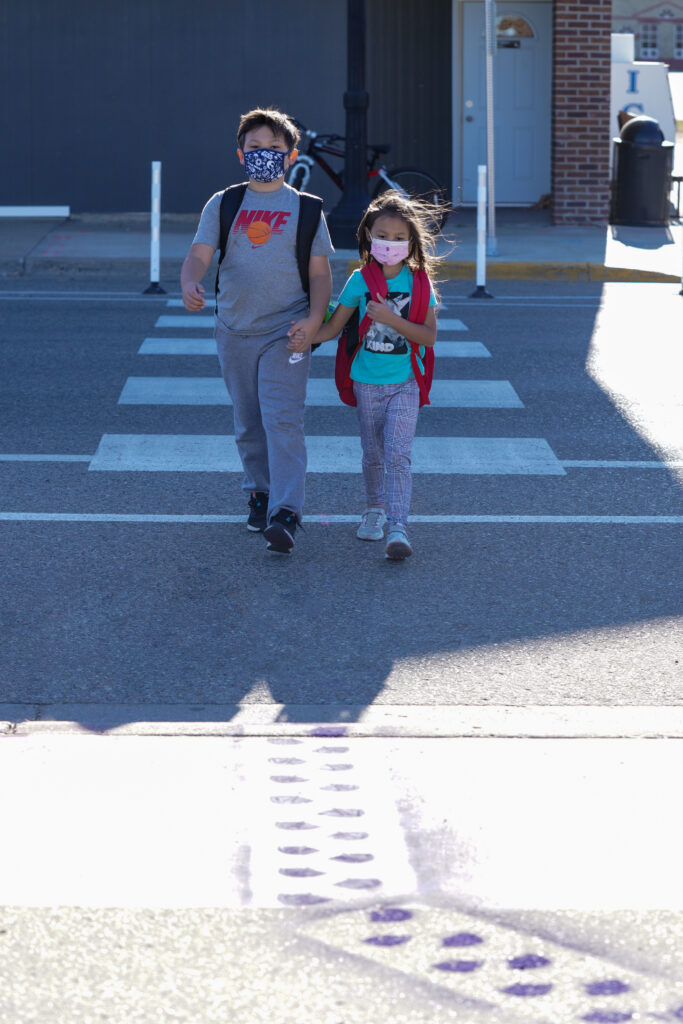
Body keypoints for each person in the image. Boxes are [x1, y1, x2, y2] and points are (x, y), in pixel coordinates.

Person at [181, 107, 334, 554]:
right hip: (234, 328)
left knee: (283, 419)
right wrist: (189, 281)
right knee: (249, 422)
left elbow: (320, 274)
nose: (263, 154)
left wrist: (314, 320)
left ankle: (286, 512)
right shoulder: (225, 203)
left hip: (286, 331)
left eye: (273, 148)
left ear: (290, 156)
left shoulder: (306, 209)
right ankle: (259, 492)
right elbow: (199, 254)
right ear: (240, 154)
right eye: (254, 148)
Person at [289, 191, 438, 561]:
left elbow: (429, 336)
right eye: (382, 236)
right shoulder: (359, 281)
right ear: (368, 237)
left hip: (404, 382)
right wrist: (304, 338)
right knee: (373, 453)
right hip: (367, 382)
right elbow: (334, 328)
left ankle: (398, 526)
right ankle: (374, 508)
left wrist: (391, 319)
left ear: (411, 242)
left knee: (399, 455)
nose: (390, 243)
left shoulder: (420, 283)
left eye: (399, 237)